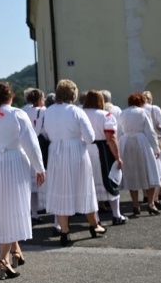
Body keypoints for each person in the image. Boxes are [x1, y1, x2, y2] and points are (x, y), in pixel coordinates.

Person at [0, 81, 45, 280]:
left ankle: (15, 250)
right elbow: (31, 143)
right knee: (13, 206)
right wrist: (39, 167)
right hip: (13, 161)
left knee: (2, 205)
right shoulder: (17, 114)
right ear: (11, 96)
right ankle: (3, 258)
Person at [42, 80, 104, 247]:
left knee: (61, 189)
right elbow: (90, 138)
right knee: (84, 187)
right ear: (73, 94)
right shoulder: (76, 111)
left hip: (55, 151)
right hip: (76, 150)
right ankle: (94, 225)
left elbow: (45, 133)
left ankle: (64, 232)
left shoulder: (48, 112)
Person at [82, 90, 124, 225]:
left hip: (84, 150)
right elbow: (111, 138)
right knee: (110, 180)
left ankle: (96, 220)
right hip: (103, 150)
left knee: (90, 184)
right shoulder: (106, 115)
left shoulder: (81, 114)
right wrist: (117, 157)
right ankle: (116, 215)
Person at [119, 93, 161, 216]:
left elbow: (119, 131)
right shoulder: (142, 112)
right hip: (141, 141)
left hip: (126, 142)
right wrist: (156, 148)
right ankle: (151, 203)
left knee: (132, 173)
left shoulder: (123, 113)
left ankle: (135, 205)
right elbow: (150, 131)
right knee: (149, 171)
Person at [19, 88, 47, 224]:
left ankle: (28, 213)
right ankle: (35, 213)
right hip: (38, 146)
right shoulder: (42, 111)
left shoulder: (21, 110)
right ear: (40, 99)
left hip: (22, 149)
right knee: (36, 183)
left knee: (26, 184)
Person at [142, 91, 161, 201]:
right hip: (156, 140)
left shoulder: (138, 109)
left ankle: (146, 194)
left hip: (142, 140)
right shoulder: (154, 108)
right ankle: (158, 194)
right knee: (158, 168)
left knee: (145, 168)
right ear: (150, 100)